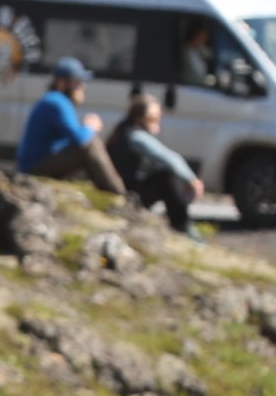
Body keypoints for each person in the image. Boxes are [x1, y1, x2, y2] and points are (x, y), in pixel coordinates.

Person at [14, 56, 125, 193]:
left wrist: (86, 129)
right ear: (61, 83)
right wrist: (90, 127)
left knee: (90, 143)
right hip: (33, 170)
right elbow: (80, 139)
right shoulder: (56, 102)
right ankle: (118, 193)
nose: (82, 86)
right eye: (77, 82)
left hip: (41, 164)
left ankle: (107, 191)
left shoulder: (55, 101)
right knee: (91, 144)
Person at [105, 93, 205, 237]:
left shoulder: (123, 130)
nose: (157, 122)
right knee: (167, 178)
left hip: (125, 189)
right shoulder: (136, 136)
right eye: (153, 118)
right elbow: (169, 158)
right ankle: (183, 227)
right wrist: (191, 180)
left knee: (164, 175)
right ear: (140, 118)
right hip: (128, 194)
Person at [180, 20, 217, 88]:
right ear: (195, 35)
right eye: (202, 36)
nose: (205, 39)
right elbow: (196, 78)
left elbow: (211, 55)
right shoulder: (188, 54)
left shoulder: (198, 49)